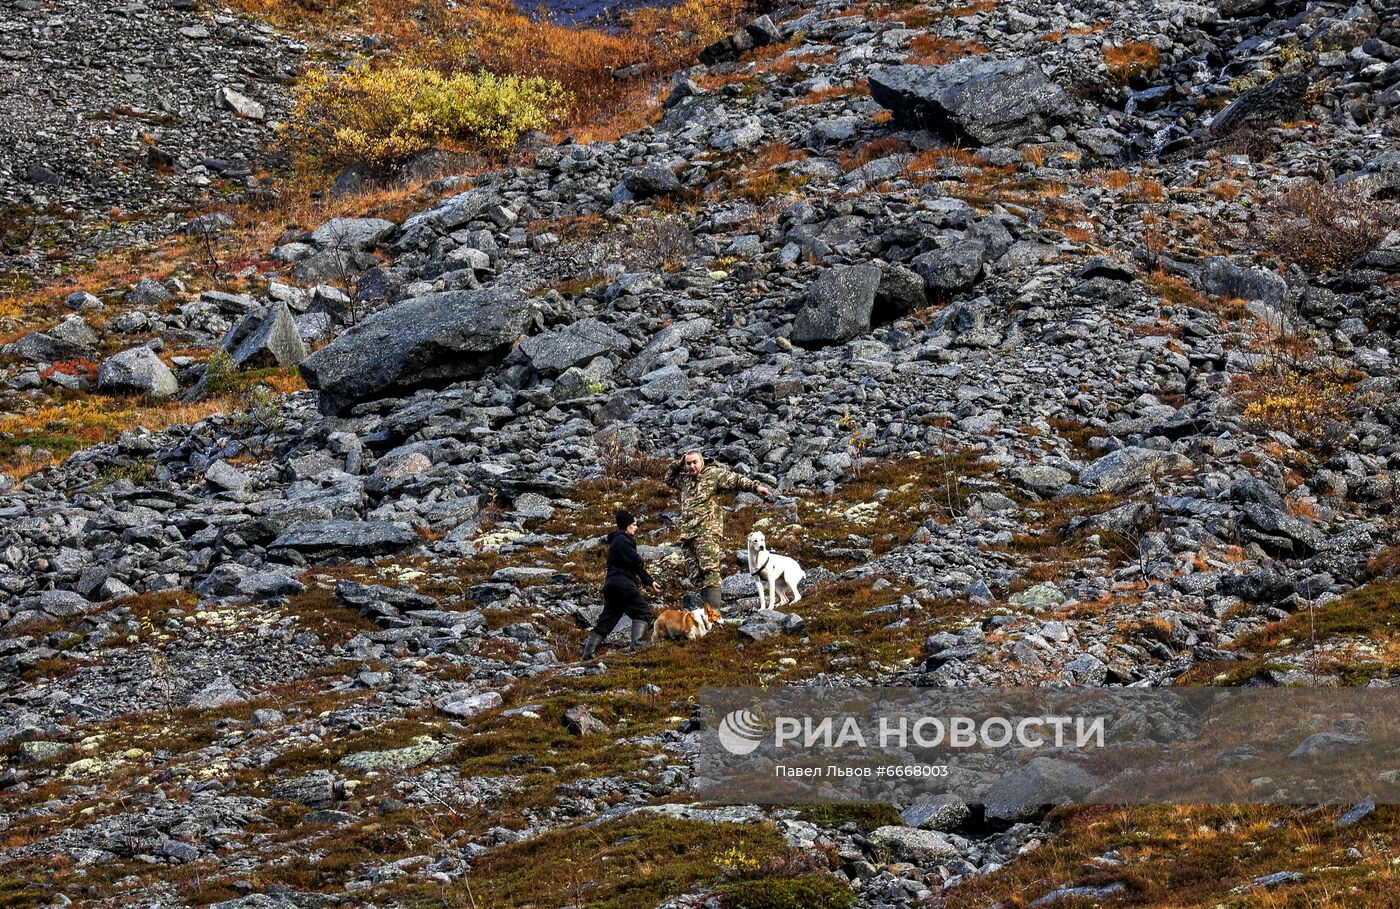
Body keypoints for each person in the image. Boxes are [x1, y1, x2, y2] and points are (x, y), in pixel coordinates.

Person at [665, 450, 774, 610]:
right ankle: (708, 610)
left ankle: (713, 616)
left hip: (707, 531)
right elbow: (668, 479)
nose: (692, 466)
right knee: (695, 575)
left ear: (701, 461)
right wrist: (678, 464)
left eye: (694, 462)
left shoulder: (714, 474)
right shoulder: (685, 479)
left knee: (710, 570)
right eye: (688, 463)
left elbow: (736, 480)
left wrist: (756, 487)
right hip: (688, 534)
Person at [581, 509, 661, 660]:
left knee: (607, 620)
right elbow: (636, 562)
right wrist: (640, 562)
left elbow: (634, 567)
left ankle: (587, 654)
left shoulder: (616, 540)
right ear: (626, 526)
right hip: (623, 584)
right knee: (643, 612)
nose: (636, 528)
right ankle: (637, 645)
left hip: (611, 585)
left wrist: (650, 581)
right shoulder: (623, 540)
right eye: (634, 524)